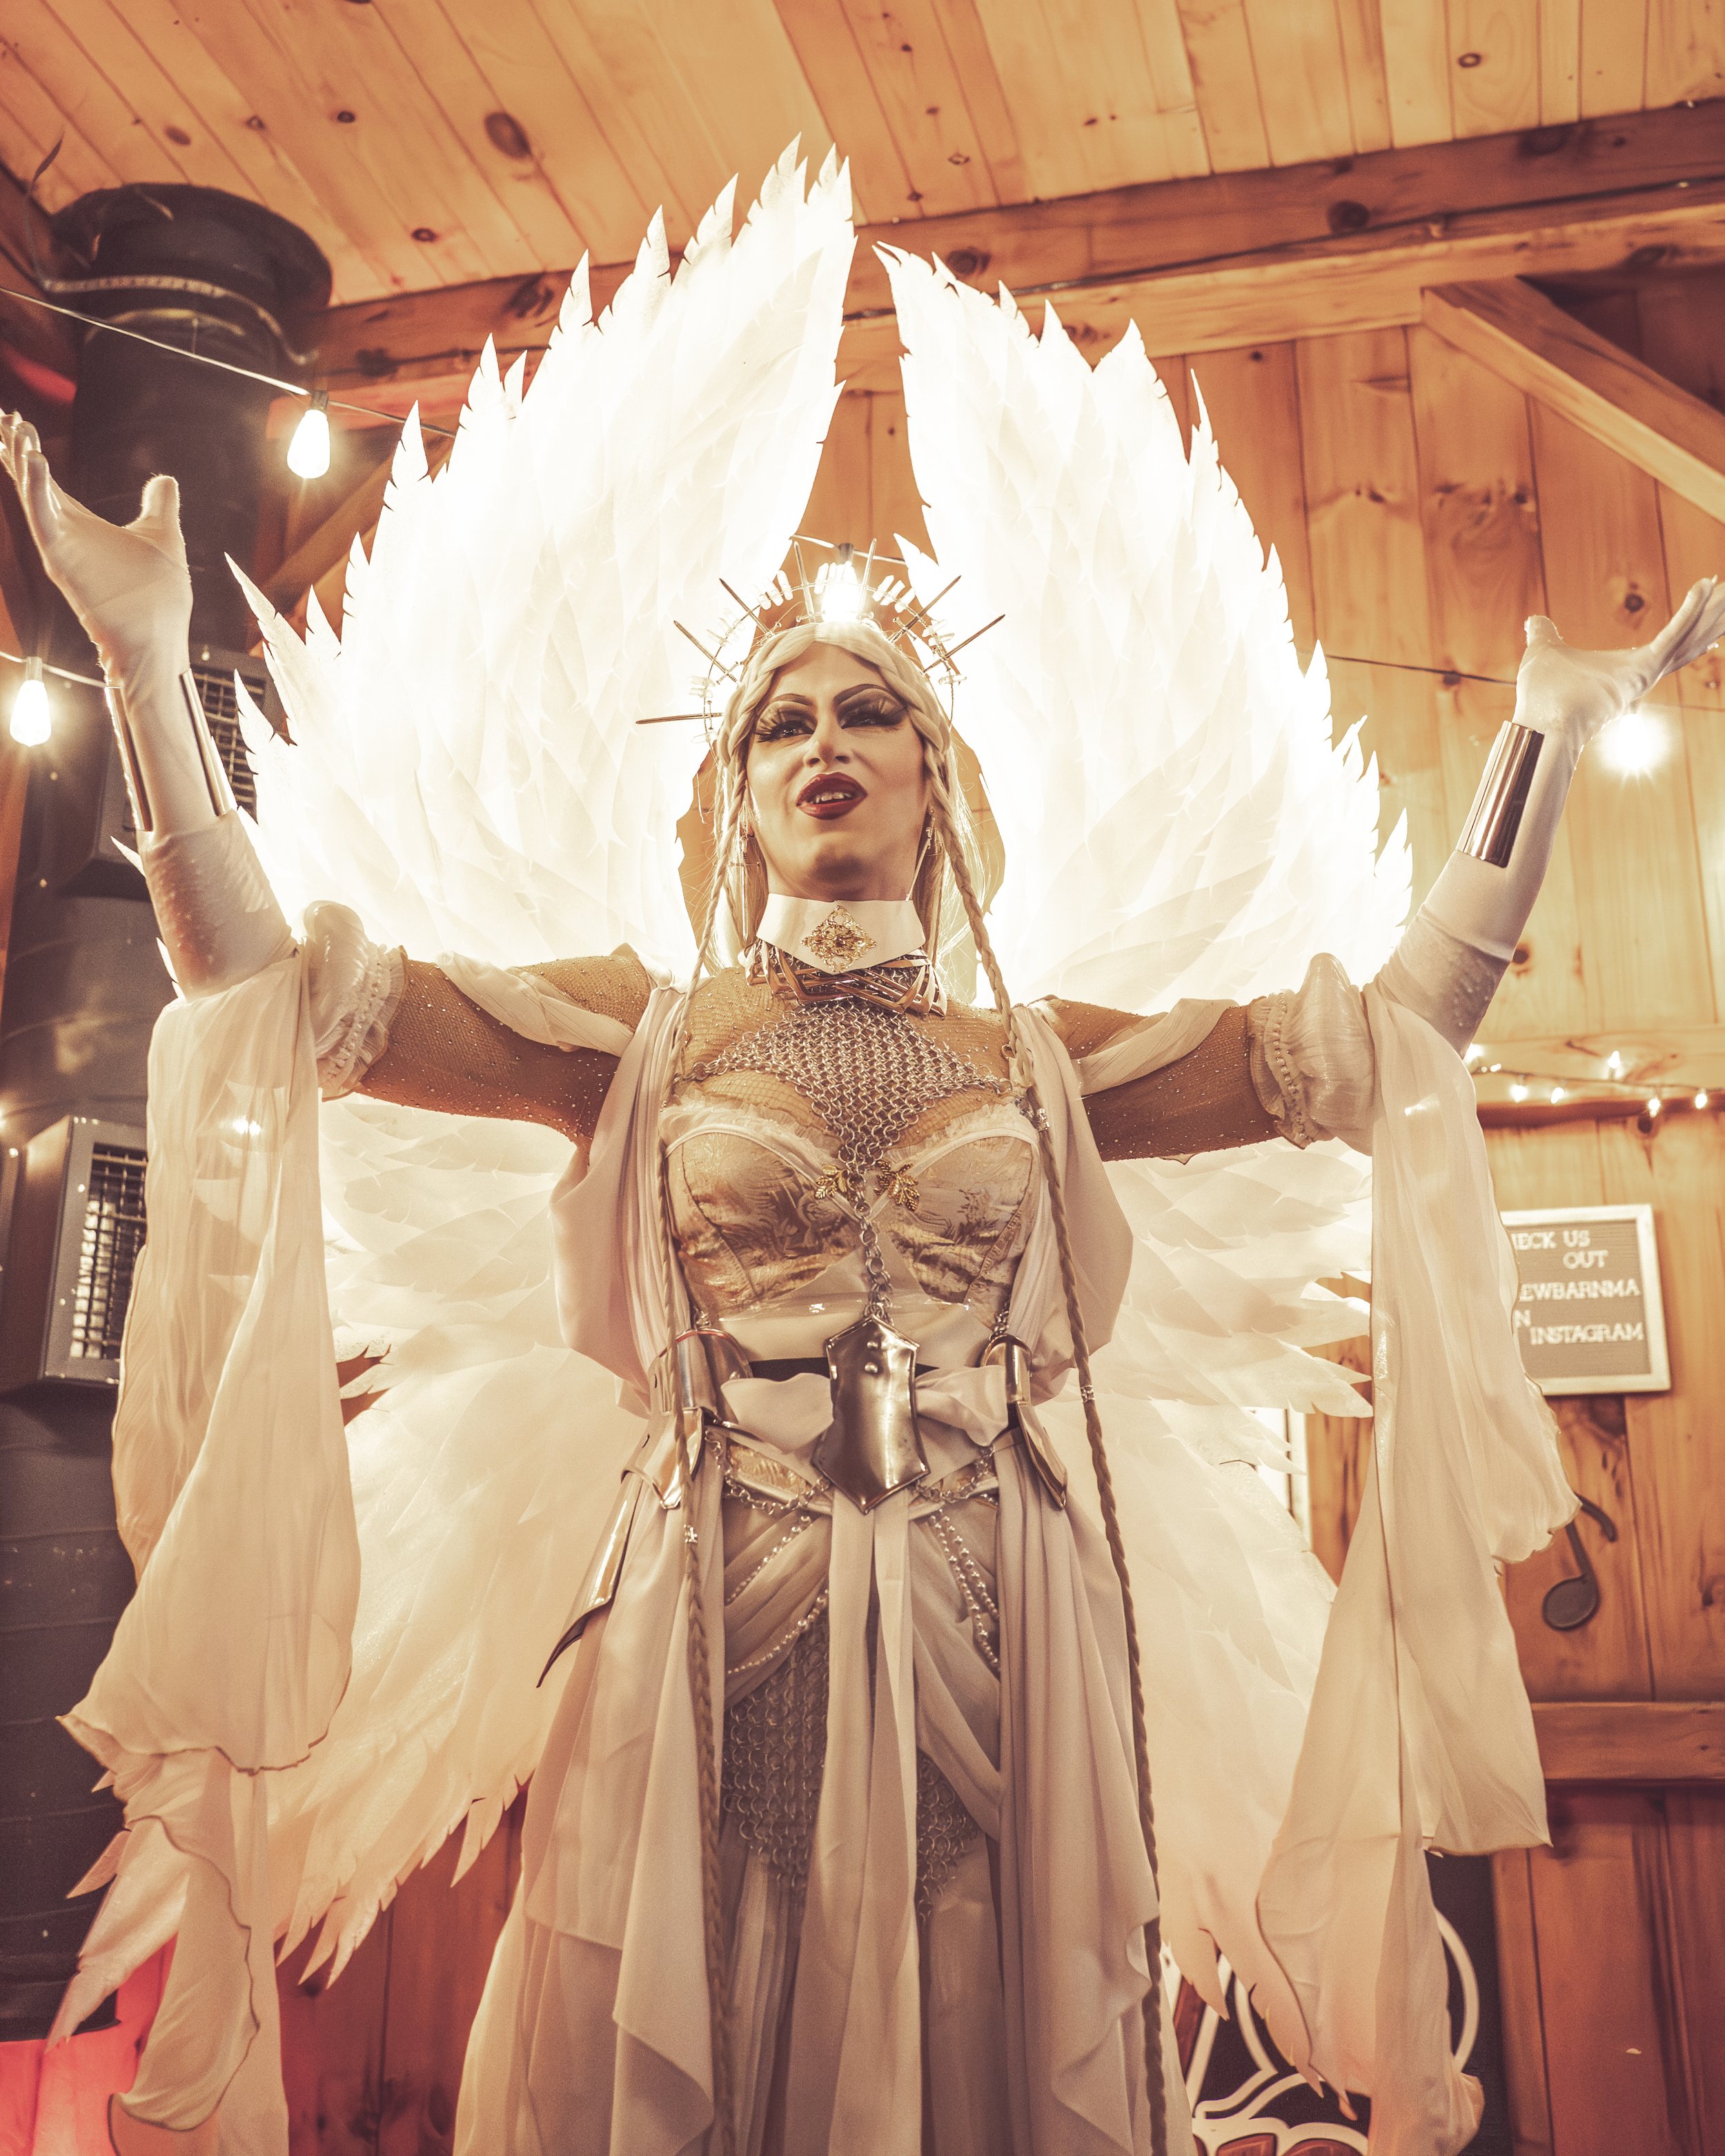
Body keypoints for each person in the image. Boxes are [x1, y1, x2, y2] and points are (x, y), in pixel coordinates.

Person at [3, 222, 1722, 2156]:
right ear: (731, 799)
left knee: (985, 2010)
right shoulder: (631, 1031)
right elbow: (260, 983)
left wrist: (1546, 739)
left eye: (869, 713)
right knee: (705, 2016)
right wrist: (144, 675)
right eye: (782, 723)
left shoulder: (1036, 1057)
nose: (826, 744)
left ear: (937, 779)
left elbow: (1408, 1022)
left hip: (1005, 1606)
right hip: (708, 1596)